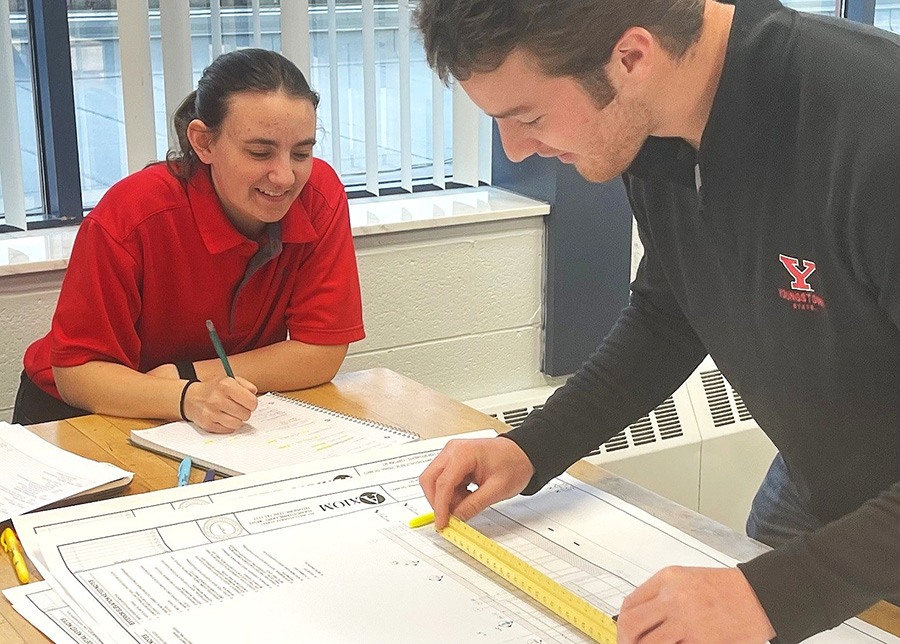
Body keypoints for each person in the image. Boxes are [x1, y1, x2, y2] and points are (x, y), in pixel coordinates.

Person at [413, 1, 900, 643]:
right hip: (819, 486)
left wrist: (777, 595)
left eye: (528, 118)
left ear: (632, 57)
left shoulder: (874, 129)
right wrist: (530, 447)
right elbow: (669, 315)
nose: (516, 149)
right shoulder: (658, 126)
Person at [13, 49, 364, 434]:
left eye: (302, 152)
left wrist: (190, 377)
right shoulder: (133, 213)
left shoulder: (318, 196)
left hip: (210, 406)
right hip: (77, 411)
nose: (284, 177)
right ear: (204, 143)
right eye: (259, 152)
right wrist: (185, 396)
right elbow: (77, 374)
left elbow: (321, 352)